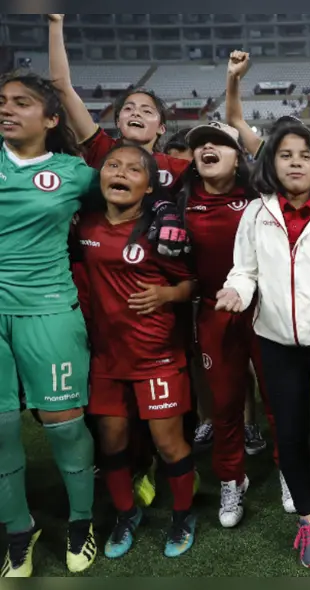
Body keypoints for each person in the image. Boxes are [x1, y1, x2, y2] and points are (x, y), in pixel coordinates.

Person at [217, 122, 310, 566]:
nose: (296, 162)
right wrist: (237, 293)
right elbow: (244, 272)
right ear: (272, 163)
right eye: (286, 155)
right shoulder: (255, 213)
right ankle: (307, 517)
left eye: (305, 154)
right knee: (289, 433)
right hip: (276, 341)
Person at [75, 144, 197, 560]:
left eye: (133, 168)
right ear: (101, 176)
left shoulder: (159, 232)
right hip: (106, 360)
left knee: (168, 443)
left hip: (156, 356)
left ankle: (182, 515)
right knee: (111, 441)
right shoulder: (84, 227)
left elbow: (190, 285)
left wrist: (165, 292)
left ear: (148, 187)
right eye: (113, 165)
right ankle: (126, 513)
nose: (121, 172)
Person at [0, 71, 99, 577]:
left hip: (49, 308)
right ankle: (18, 530)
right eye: (2, 101)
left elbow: (121, 203)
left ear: (51, 118)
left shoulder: (74, 172)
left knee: (64, 426)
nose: (7, 109)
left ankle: (82, 520)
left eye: (21, 102)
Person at [175, 121, 280, 524]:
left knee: (277, 399)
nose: (207, 148)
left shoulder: (261, 196)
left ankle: (288, 470)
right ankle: (232, 480)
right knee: (223, 404)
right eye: (200, 143)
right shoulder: (179, 200)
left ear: (239, 157)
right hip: (214, 312)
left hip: (267, 309)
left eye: (219, 142)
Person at [47, 15, 189, 189]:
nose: (136, 113)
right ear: (117, 121)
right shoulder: (102, 148)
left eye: (147, 111)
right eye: (128, 108)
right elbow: (62, 86)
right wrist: (55, 23)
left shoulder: (178, 168)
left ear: (161, 128)